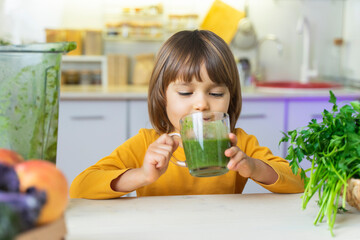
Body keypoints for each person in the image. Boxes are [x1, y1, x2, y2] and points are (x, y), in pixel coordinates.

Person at [70, 30, 304, 199]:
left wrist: (253, 167)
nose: (201, 104)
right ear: (163, 96)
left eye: (215, 92)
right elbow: (79, 187)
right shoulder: (146, 145)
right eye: (185, 92)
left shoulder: (239, 143)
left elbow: (300, 181)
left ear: (230, 97)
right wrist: (142, 175)